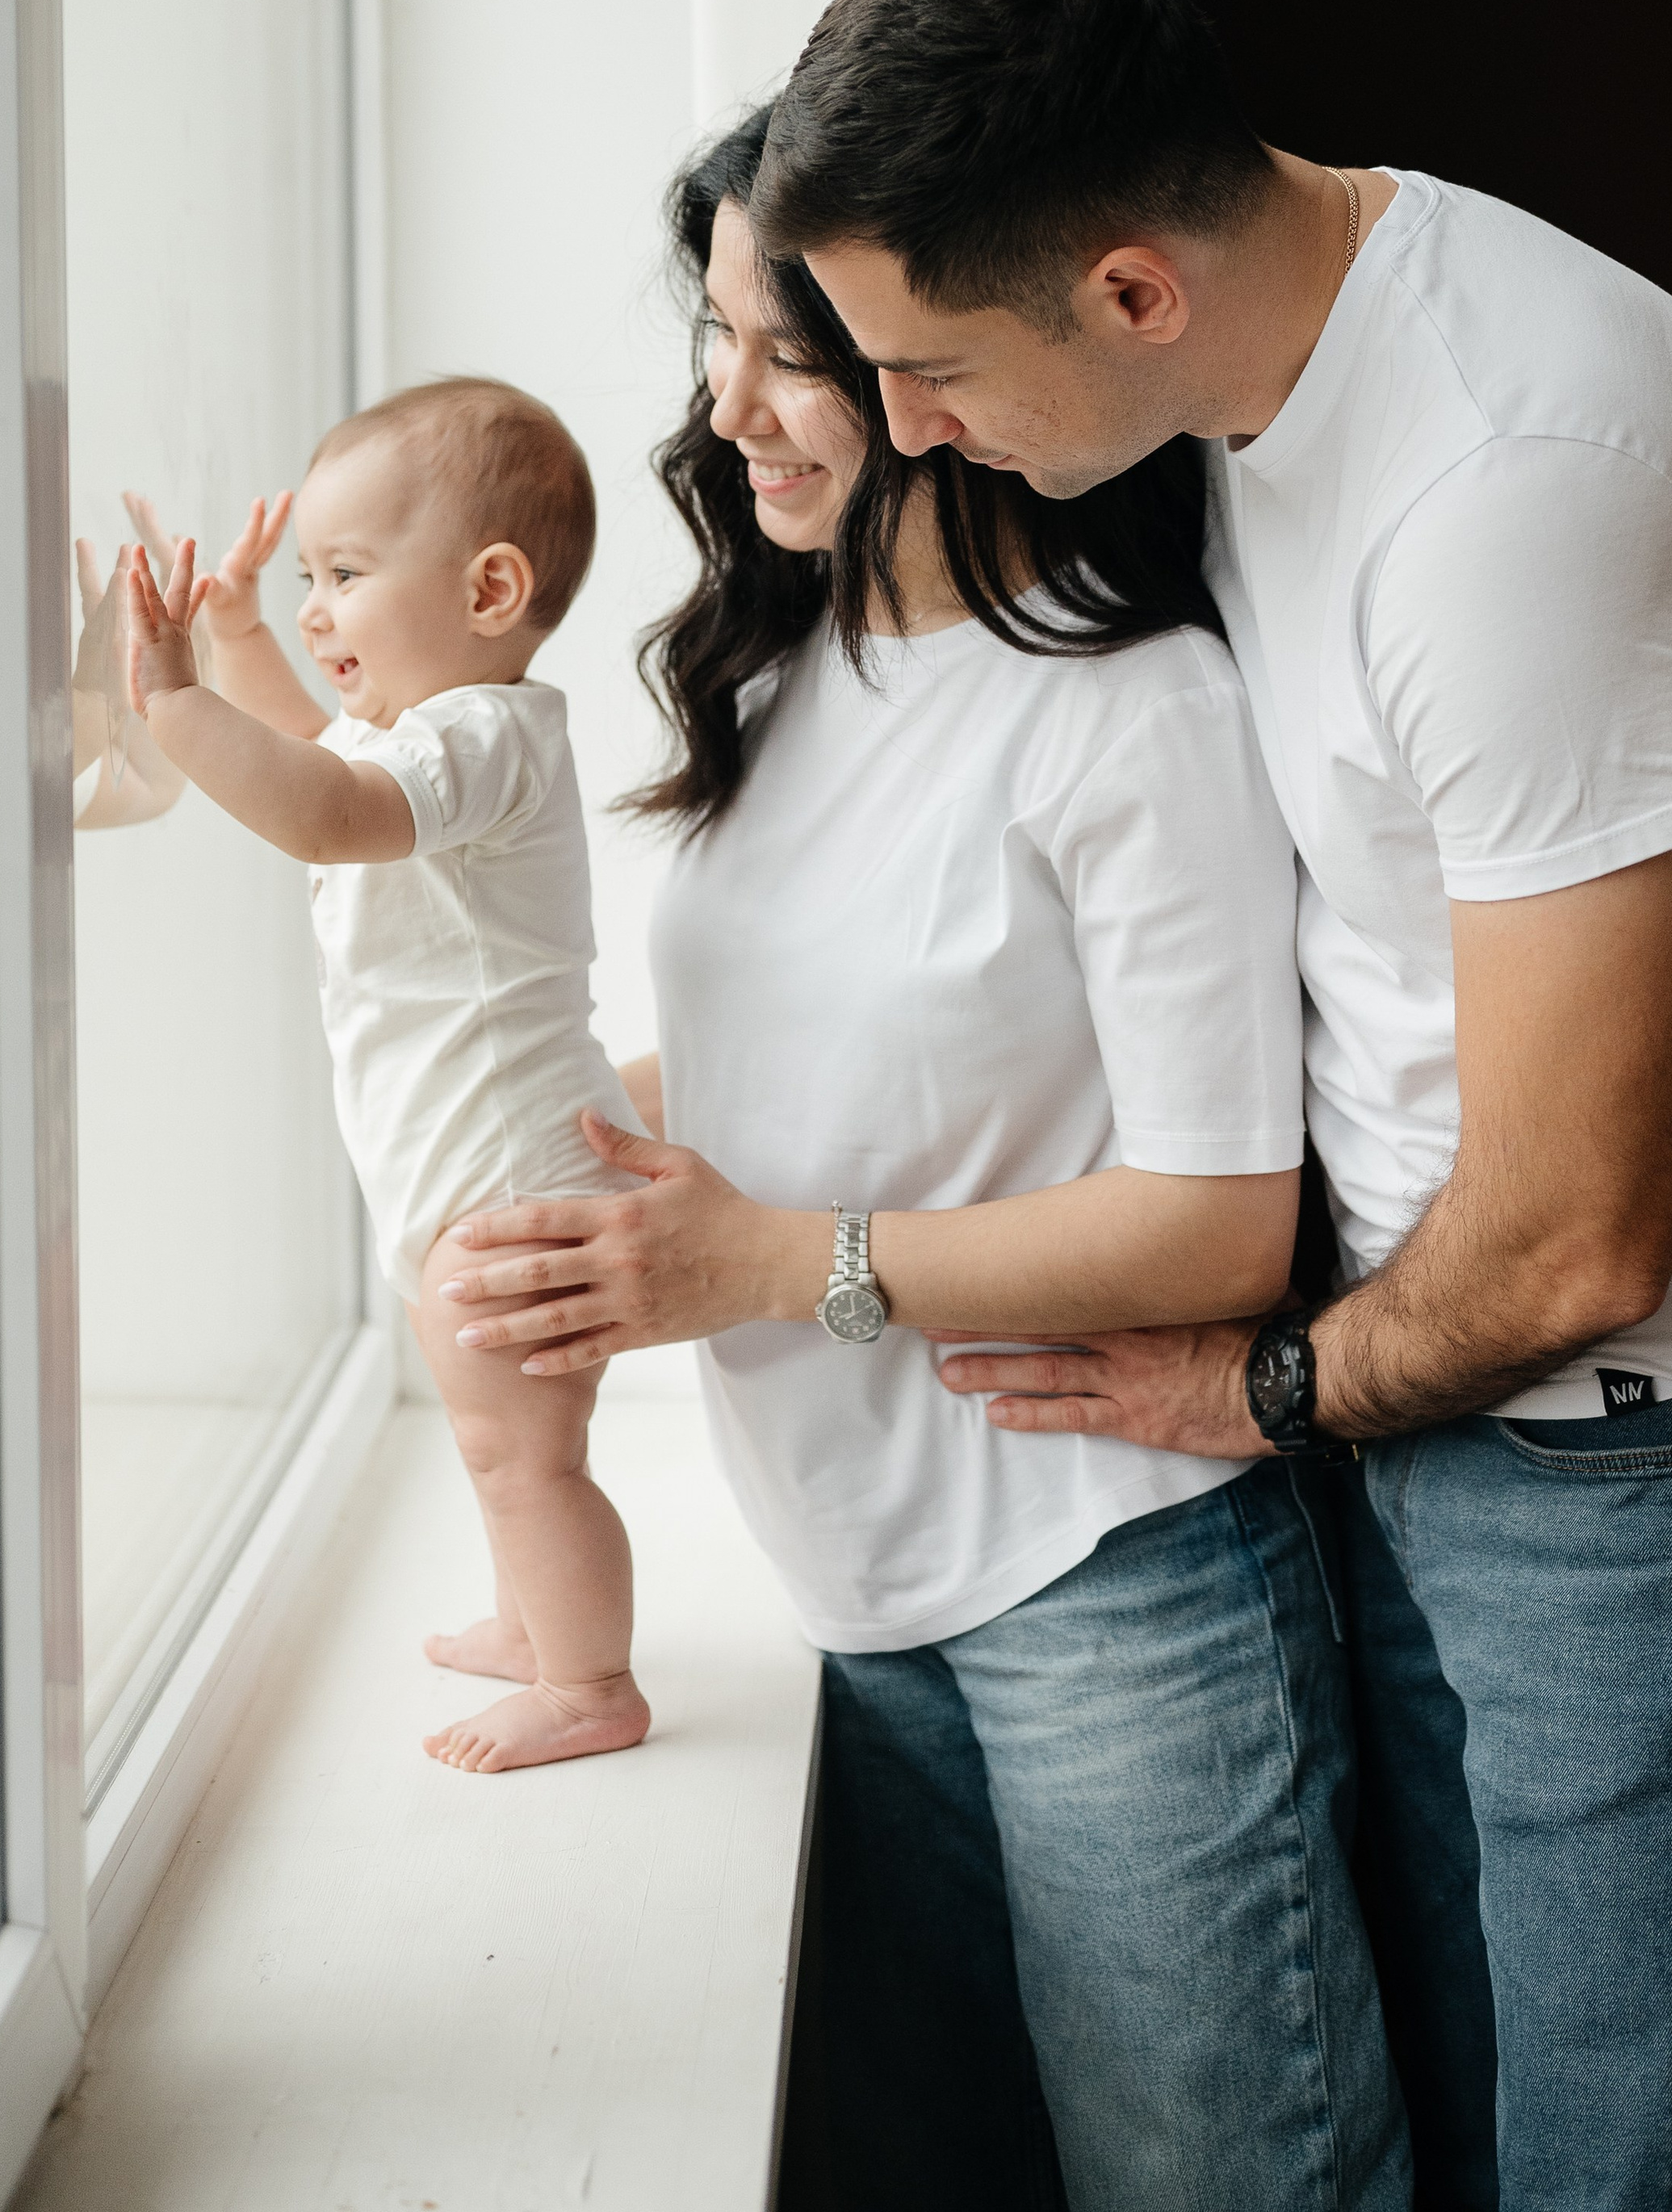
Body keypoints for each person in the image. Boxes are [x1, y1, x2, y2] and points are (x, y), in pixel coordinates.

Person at [739, 0, 1672, 2212]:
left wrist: (1263, 1388)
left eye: (921, 366)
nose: (903, 432)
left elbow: (1585, 1234)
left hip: (1670, 1433)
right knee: (1496, 2124)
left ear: (1128, 288)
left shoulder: (1513, 483)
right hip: (1460, 1384)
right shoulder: (1266, 359)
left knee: (1625, 2171)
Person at [436, 111, 1409, 2212]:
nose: (727, 407)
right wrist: (516, 1145)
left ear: (920, 364)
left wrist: (760, 1264)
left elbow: (1222, 1222)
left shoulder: (1129, 711)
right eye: (713, 340)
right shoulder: (782, 660)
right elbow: (803, 1050)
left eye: (785, 355)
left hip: (1109, 1592)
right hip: (847, 1579)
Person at [122, 378, 648, 1775]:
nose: (318, 610)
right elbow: (316, 750)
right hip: (470, 1173)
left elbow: (324, 811)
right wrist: (238, 632)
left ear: (489, 591)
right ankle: (535, 1629)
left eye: (345, 575)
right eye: (309, 578)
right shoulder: (423, 738)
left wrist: (175, 701)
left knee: (525, 1454)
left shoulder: (483, 737)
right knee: (496, 1440)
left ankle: (590, 1683)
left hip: (511, 1185)